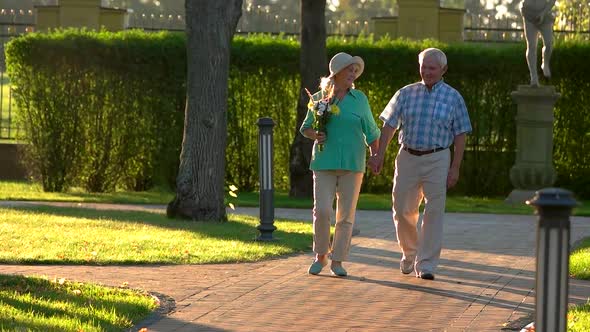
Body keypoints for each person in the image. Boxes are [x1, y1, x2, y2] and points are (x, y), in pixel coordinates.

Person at [369, 48, 472, 281]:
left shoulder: (453, 97)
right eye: (423, 67)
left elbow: (461, 134)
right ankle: (410, 252)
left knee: (434, 212)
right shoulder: (405, 94)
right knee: (402, 209)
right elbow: (389, 126)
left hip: (438, 157)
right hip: (407, 157)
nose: (427, 72)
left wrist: (455, 167)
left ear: (443, 70)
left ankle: (426, 264)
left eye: (432, 68)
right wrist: (380, 154)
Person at [300, 52, 380, 277]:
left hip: (353, 164)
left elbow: (372, 131)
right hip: (324, 161)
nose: (353, 75)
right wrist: (315, 134)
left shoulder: (360, 99)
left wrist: (376, 155)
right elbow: (305, 127)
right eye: (349, 70)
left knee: (345, 215)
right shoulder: (318, 99)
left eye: (355, 71)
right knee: (323, 210)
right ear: (337, 73)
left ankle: (338, 261)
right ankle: (321, 255)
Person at [520, 0, 556, 86]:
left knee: (549, 43)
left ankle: (545, 63)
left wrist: (543, 13)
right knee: (531, 45)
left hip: (544, 12)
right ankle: (534, 77)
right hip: (529, 14)